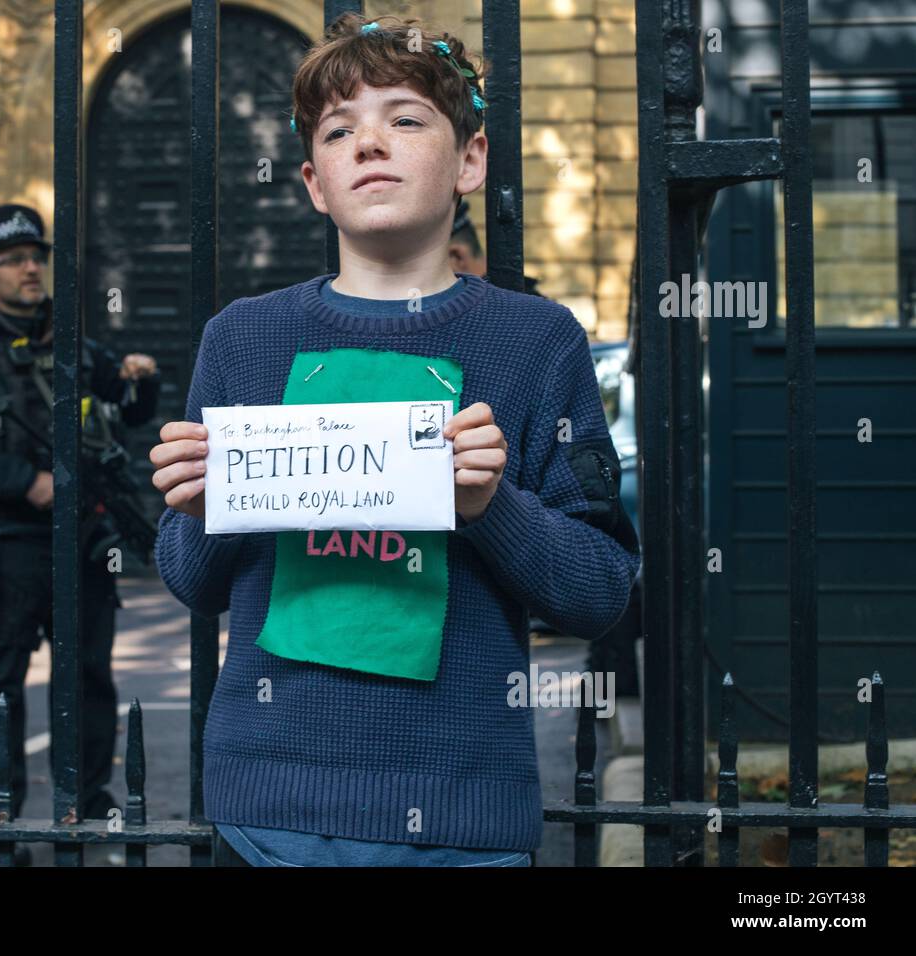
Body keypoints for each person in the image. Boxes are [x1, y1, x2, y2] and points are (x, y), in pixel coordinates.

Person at [148, 14, 639, 867]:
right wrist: (196, 507)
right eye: (340, 130)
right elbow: (194, 583)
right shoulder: (243, 339)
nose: (369, 141)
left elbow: (600, 591)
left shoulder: (536, 341)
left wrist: (492, 509)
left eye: (405, 119)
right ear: (314, 181)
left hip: (462, 820)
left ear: (471, 162)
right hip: (265, 813)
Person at [0, 203, 160, 863]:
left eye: (35, 256)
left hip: (84, 536)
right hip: (11, 539)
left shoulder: (74, 346)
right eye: (13, 261)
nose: (30, 267)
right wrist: (25, 482)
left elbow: (125, 418)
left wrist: (139, 385)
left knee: (88, 675)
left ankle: (87, 803)